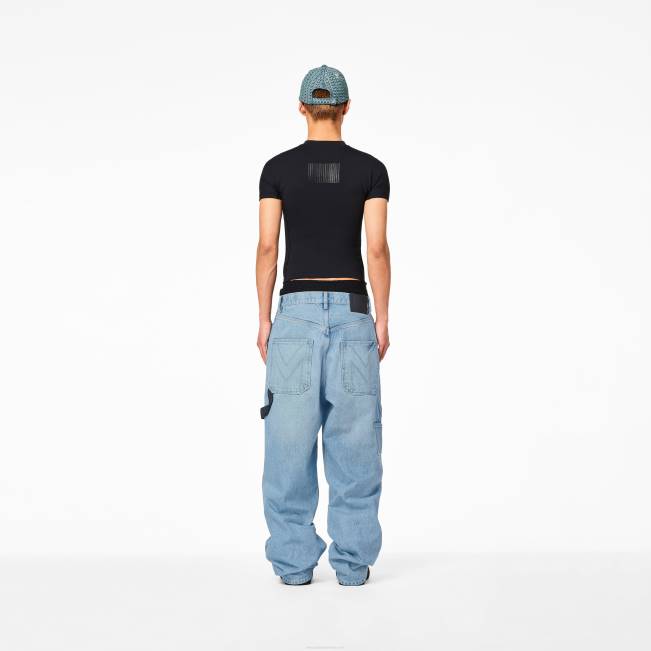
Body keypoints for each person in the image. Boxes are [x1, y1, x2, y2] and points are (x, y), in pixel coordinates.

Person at [256, 64, 391, 586]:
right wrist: (382, 317)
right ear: (346, 108)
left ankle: (293, 567)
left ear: (301, 108)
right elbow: (375, 249)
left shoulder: (277, 169)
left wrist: (264, 318)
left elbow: (268, 247)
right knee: (355, 447)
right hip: (354, 313)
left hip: (295, 315)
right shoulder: (371, 170)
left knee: (287, 447)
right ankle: (353, 567)